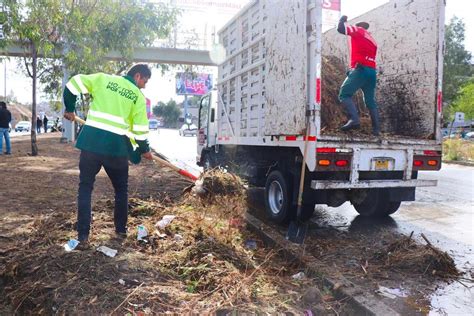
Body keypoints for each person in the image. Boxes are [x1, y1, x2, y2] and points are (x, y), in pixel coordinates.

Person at [63, 64, 153, 249]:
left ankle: (83, 236)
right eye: (145, 81)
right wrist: (144, 149)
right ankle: (120, 231)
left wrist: (70, 108)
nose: (144, 85)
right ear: (137, 76)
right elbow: (140, 130)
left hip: (91, 144)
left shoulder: (104, 79)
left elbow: (72, 85)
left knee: (85, 188)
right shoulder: (137, 96)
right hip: (115, 148)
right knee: (121, 190)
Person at [337, 15, 380, 136]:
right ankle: (376, 130)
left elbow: (340, 29)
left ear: (359, 27)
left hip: (361, 70)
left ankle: (354, 120)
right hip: (371, 72)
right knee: (370, 100)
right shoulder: (372, 40)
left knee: (344, 94)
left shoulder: (359, 31)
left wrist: (342, 20)